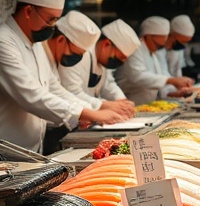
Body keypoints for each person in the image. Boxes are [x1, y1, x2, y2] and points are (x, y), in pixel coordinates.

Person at [0, 0, 126, 159]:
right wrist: (86, 112)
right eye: (51, 19)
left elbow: (54, 88)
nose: (53, 27)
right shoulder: (1, 44)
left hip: (24, 150)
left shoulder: (35, 45)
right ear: (28, 11)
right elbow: (31, 96)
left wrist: (85, 112)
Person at [42, 11, 134, 152]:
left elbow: (108, 84)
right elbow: (65, 92)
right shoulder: (8, 46)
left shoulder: (70, 51)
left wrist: (120, 102)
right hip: (55, 127)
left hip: (67, 122)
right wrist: (96, 110)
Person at [58, 16, 139, 116]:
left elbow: (108, 84)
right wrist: (103, 105)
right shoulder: (78, 55)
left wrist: (121, 100)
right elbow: (72, 92)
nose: (121, 62)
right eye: (121, 57)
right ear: (106, 44)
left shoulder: (102, 59)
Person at [115, 16, 195, 105]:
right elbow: (138, 77)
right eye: (158, 45)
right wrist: (171, 80)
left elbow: (161, 79)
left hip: (147, 106)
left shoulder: (153, 53)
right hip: (130, 102)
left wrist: (176, 93)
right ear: (148, 36)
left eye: (161, 46)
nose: (158, 49)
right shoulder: (134, 50)